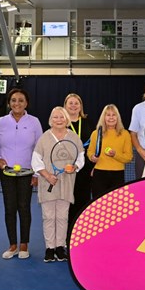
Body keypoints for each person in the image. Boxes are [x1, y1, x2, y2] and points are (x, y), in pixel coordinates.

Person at [0, 88, 43, 260]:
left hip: (27, 173)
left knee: (24, 208)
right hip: (6, 173)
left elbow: (39, 148)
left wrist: (36, 173)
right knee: (9, 208)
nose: (17, 103)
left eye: (21, 100)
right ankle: (12, 244)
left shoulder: (34, 122)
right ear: (9, 103)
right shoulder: (1, 122)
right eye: (13, 100)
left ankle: (24, 245)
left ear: (26, 103)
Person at [32, 106, 85, 262]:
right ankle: (50, 248)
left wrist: (75, 167)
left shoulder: (74, 137)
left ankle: (60, 247)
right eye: (55, 117)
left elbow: (80, 158)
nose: (59, 120)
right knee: (48, 216)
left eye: (61, 117)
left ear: (66, 119)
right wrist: (47, 176)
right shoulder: (44, 138)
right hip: (48, 182)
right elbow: (36, 161)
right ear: (51, 120)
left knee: (62, 216)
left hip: (66, 183)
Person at [64, 93, 95, 234]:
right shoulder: (61, 123)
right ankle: (67, 234)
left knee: (83, 201)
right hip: (66, 170)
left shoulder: (88, 123)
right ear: (65, 105)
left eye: (76, 103)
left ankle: (80, 232)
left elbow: (95, 146)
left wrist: (93, 166)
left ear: (80, 106)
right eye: (70, 103)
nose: (73, 106)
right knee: (67, 202)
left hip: (85, 169)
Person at [87, 104, 133, 199]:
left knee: (116, 206)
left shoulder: (125, 134)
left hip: (118, 174)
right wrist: (92, 157)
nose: (111, 117)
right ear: (103, 117)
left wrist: (115, 155)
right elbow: (90, 151)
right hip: (99, 174)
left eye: (113, 115)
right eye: (108, 115)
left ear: (118, 117)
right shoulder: (96, 133)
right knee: (99, 205)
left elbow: (128, 157)